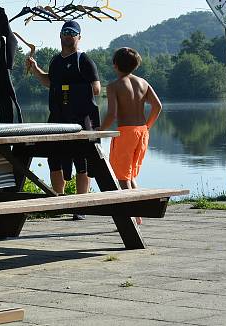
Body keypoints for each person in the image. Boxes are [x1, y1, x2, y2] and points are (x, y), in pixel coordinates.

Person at [27, 21, 101, 209]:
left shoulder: (83, 60)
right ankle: (58, 202)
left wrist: (70, 91)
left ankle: (80, 206)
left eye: (72, 33)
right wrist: (35, 69)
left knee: (82, 161)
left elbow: (97, 89)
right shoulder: (55, 60)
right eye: (65, 32)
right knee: (54, 160)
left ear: (79, 37)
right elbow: (49, 82)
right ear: (60, 35)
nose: (68, 35)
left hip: (80, 120)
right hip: (57, 118)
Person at [100, 47, 163, 224]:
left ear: (115, 65)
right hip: (142, 132)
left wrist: (100, 130)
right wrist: (147, 127)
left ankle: (129, 218)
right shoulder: (143, 83)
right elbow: (158, 107)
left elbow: (112, 114)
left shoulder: (114, 86)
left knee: (121, 178)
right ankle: (137, 215)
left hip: (125, 133)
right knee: (130, 175)